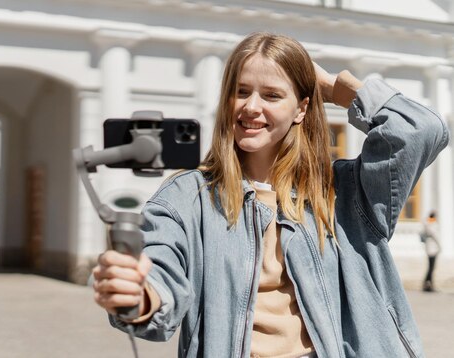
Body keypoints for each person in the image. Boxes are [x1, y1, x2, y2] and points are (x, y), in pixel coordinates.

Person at [92, 32, 449, 357]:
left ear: (302, 108)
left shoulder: (346, 195)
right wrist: (139, 294)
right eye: (241, 91)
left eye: (273, 95)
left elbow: (420, 129)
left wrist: (332, 86)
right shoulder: (187, 197)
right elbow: (161, 279)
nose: (251, 107)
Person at [421, 211, 441, 292]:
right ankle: (428, 284)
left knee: (431, 267)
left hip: (430, 248)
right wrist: (440, 246)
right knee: (431, 268)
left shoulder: (428, 224)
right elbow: (435, 235)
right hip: (432, 248)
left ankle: (428, 284)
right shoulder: (431, 225)